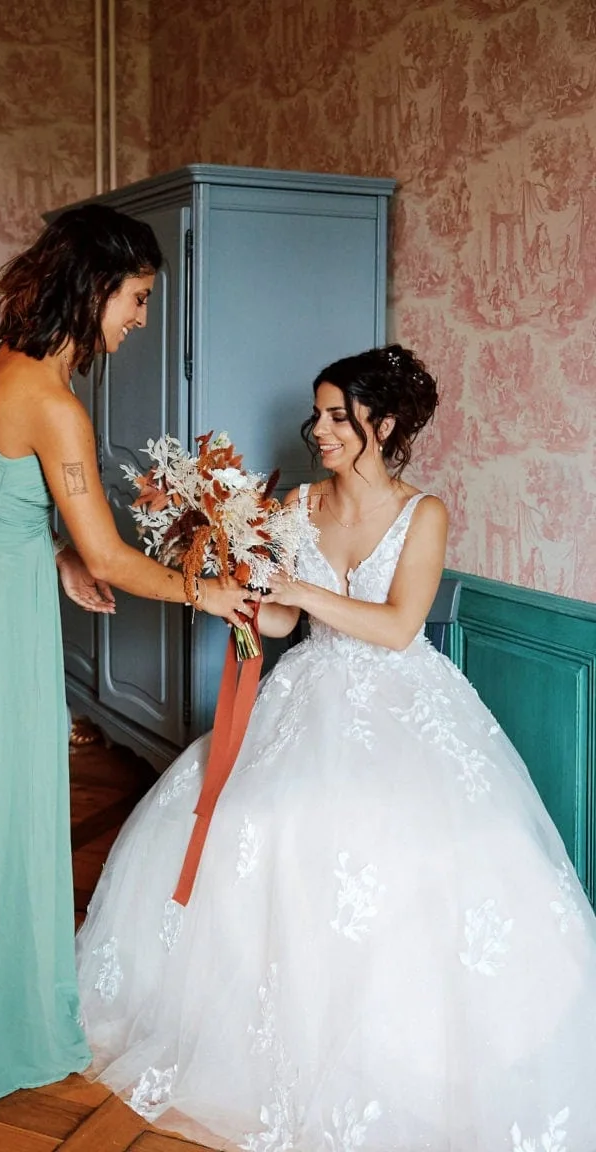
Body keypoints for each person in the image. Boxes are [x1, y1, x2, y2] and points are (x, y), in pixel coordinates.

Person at [74, 345, 596, 1151]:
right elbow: (283, 624)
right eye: (316, 414)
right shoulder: (294, 510)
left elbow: (396, 628)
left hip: (405, 702)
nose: (316, 429)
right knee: (255, 823)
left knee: (417, 848)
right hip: (308, 690)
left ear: (382, 426)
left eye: (336, 416)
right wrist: (238, 597)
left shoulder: (425, 514)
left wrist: (299, 591)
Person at [0, 204, 254, 1119]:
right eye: (139, 298)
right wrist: (209, 594)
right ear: (97, 287)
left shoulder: (7, 359)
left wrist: (55, 555)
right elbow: (113, 554)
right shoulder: (58, 406)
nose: (142, 319)